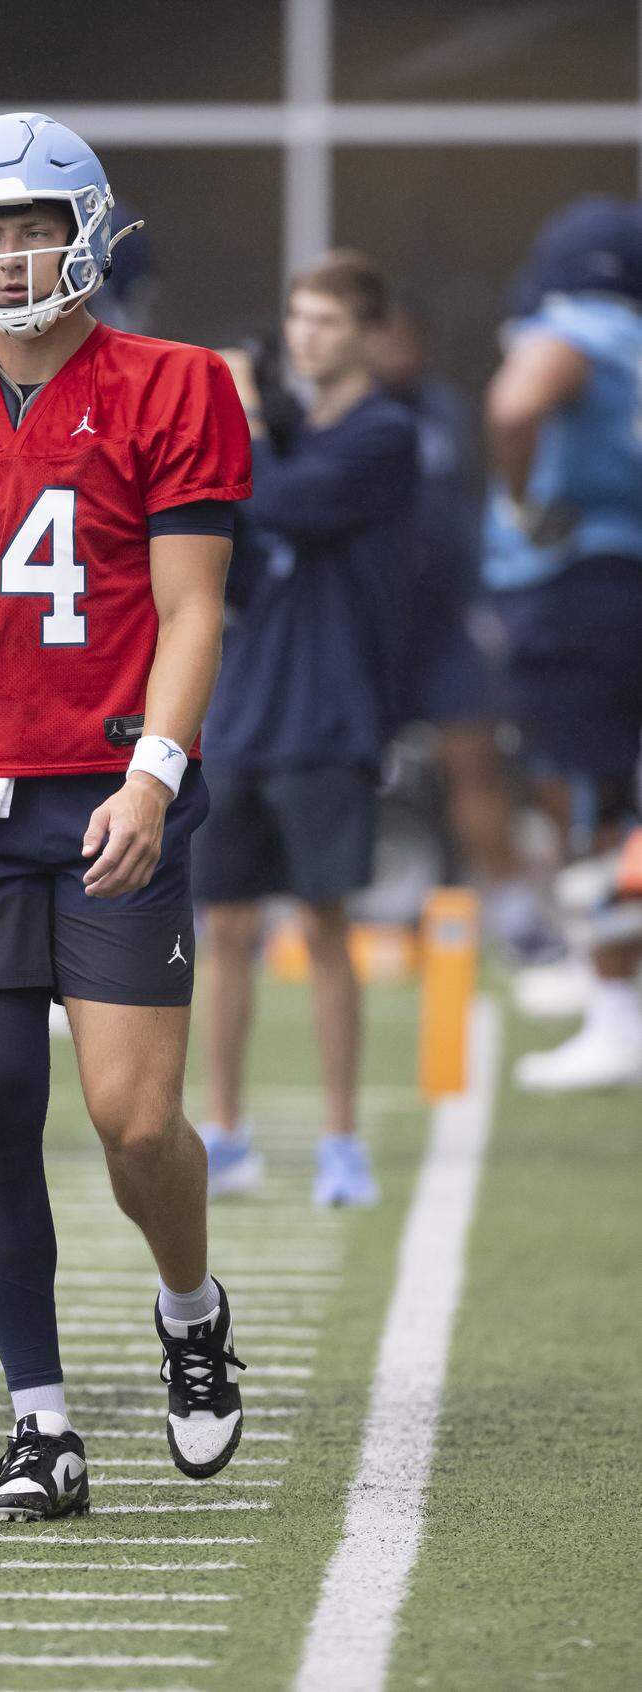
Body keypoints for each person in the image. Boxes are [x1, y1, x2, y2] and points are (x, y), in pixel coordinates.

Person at [0, 112, 252, 1522]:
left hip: (109, 793)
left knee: (135, 1124)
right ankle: (42, 1426)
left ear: (86, 229)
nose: (9, 256)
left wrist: (154, 769)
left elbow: (196, 608)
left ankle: (190, 1313)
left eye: (31, 225)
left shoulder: (179, 383)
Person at [194, 251, 418, 1206]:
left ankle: (340, 1143)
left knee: (325, 928)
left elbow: (281, 501)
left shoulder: (384, 434)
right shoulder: (281, 436)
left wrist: (238, 418)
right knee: (227, 930)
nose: (308, 337)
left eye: (328, 321)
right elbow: (225, 551)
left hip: (329, 714)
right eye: (299, 318)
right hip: (241, 708)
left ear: (366, 331)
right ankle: (226, 1135)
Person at [484, 196, 642, 1091]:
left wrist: (521, 504)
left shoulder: (581, 327)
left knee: (585, 803)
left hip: (581, 590)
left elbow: (515, 407)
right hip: (623, 582)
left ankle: (615, 1008)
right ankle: (607, 983)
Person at [373, 300, 559, 962]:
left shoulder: (444, 410)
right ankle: (302, 910)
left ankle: (517, 918)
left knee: (475, 761)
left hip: (446, 622)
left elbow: (466, 513)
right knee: (325, 767)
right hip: (366, 627)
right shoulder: (344, 413)